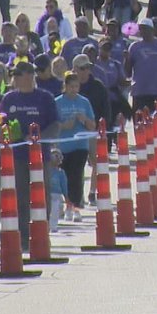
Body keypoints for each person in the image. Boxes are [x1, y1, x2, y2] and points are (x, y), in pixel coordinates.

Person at [0, 61, 58, 251]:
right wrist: (6, 136)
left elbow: (55, 125)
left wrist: (39, 139)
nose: (15, 78)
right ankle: (24, 238)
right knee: (20, 196)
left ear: (30, 76)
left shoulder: (45, 98)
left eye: (19, 74)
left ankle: (41, 233)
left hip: (40, 156)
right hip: (17, 156)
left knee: (42, 195)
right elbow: (2, 124)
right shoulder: (9, 99)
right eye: (14, 75)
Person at [52, 71, 97, 221]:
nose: (74, 89)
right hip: (63, 145)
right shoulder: (57, 102)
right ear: (65, 86)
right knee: (64, 177)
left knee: (77, 176)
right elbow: (53, 125)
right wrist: (65, 125)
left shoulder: (84, 102)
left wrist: (83, 120)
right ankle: (66, 205)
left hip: (80, 145)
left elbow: (92, 125)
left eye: (76, 86)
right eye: (71, 86)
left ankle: (76, 207)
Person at [124, 19, 157, 115]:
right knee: (139, 124)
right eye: (141, 29)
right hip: (139, 92)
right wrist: (126, 60)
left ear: (152, 30)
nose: (143, 31)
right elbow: (128, 72)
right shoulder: (134, 47)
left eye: (145, 29)